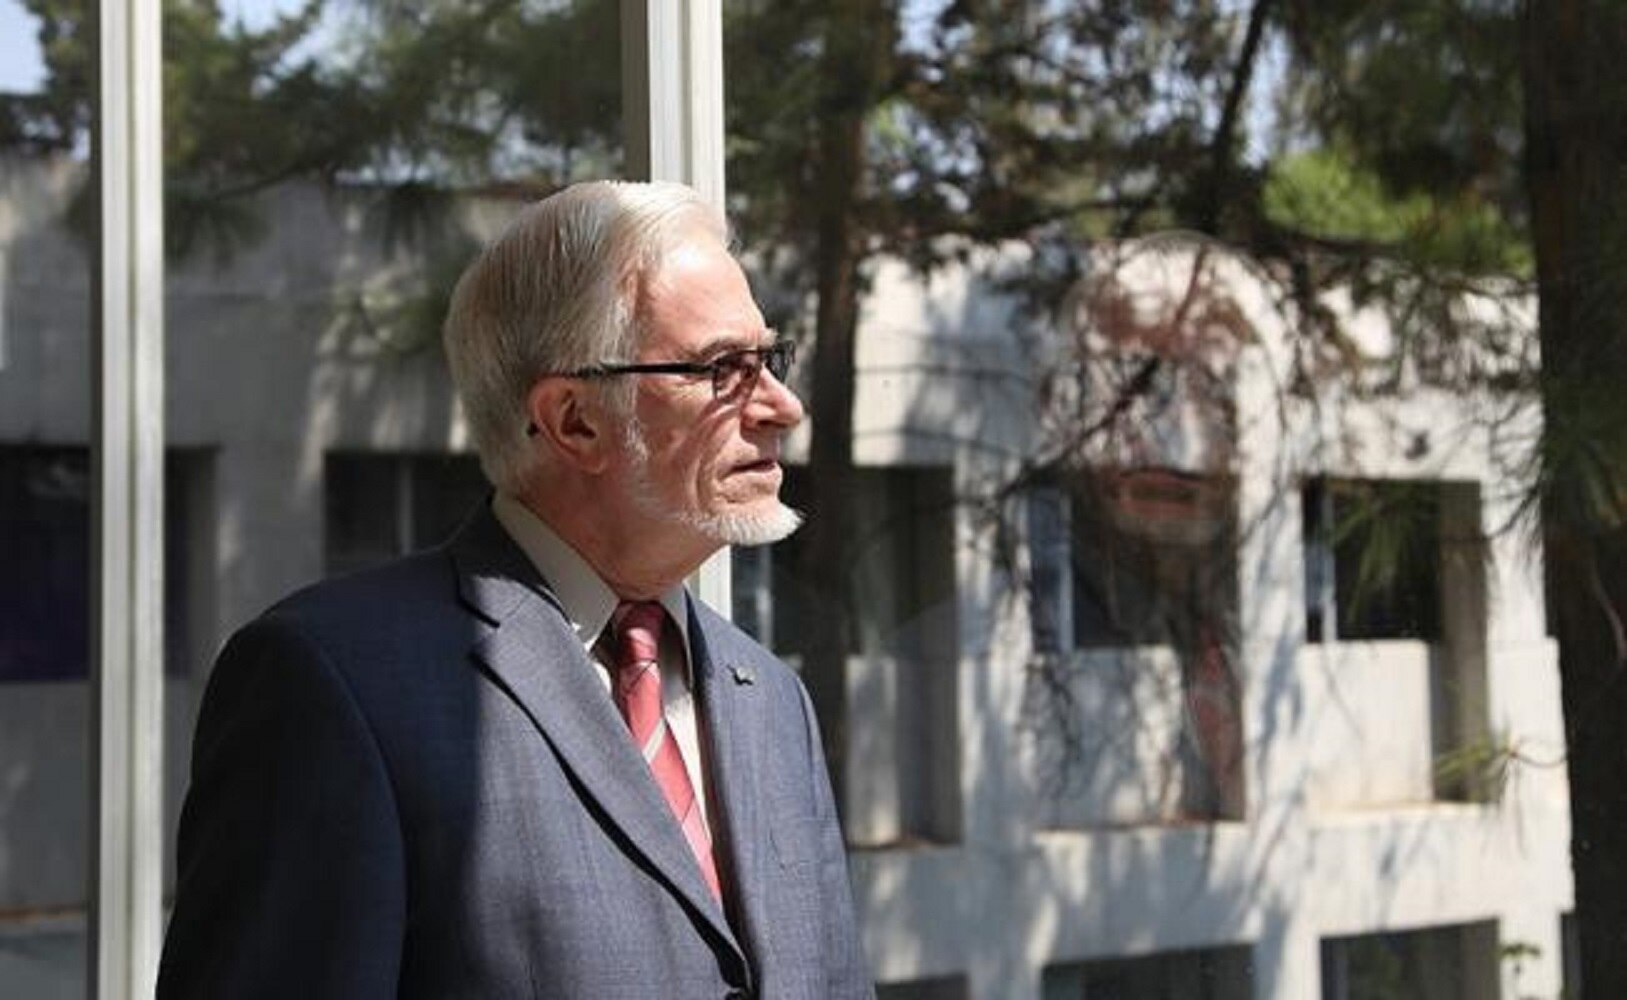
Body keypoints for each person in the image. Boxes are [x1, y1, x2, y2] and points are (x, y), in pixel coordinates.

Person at [156, 180, 874, 999]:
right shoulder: (334, 681)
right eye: (722, 370)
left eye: (769, 361)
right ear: (573, 420)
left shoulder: (771, 699)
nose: (782, 406)